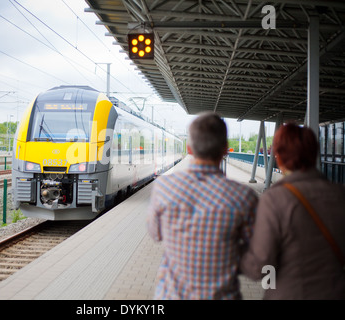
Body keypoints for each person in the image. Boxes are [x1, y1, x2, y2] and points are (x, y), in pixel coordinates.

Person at [147, 112, 258, 300]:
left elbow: (155, 234)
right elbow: (256, 252)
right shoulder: (244, 197)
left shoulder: (164, 186)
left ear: (189, 148)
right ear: (225, 150)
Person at [240, 123, 345, 299]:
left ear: (278, 157)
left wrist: (236, 248)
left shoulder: (275, 199)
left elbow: (260, 267)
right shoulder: (340, 194)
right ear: (313, 155)